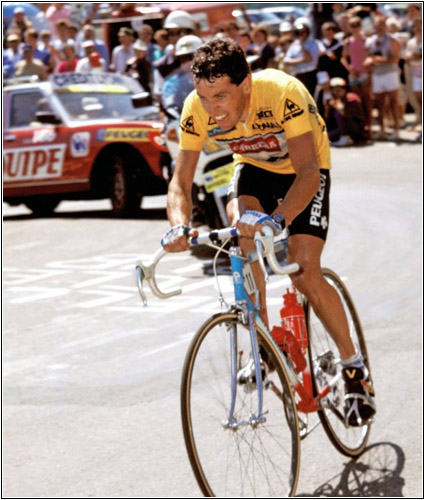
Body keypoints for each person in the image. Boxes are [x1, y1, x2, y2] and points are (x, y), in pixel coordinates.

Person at [161, 37, 376, 427]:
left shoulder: (282, 92)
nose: (212, 109)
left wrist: (277, 221)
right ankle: (263, 343)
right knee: (241, 233)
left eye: (221, 97)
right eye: (204, 98)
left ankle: (353, 367)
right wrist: (179, 225)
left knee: (304, 269)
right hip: (254, 168)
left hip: (304, 170)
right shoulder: (196, 109)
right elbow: (181, 181)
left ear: (246, 84)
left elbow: (309, 174)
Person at [364, 16, 401, 141]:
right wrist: (370, 61)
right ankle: (382, 129)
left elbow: (396, 59)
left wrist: (382, 61)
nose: (379, 27)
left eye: (381, 25)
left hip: (390, 73)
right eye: (377, 25)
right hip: (377, 75)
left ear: (385, 26)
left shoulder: (393, 40)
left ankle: (396, 129)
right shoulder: (370, 41)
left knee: (393, 102)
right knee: (379, 103)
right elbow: (368, 57)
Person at [341, 16, 373, 139]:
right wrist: (350, 69)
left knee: (367, 102)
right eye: (352, 26)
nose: (355, 28)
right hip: (353, 74)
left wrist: (369, 73)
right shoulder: (348, 41)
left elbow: (369, 57)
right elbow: (343, 58)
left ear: (360, 26)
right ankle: (361, 128)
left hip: (365, 73)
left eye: (357, 25)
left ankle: (369, 128)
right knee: (357, 103)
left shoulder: (366, 40)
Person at [324, 77, 367, 146]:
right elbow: (327, 117)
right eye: (334, 90)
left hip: (355, 127)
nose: (336, 93)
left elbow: (347, 116)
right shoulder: (333, 99)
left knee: (337, 114)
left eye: (338, 90)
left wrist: (337, 107)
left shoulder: (352, 99)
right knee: (325, 136)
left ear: (344, 90)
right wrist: (328, 108)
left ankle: (345, 137)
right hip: (341, 128)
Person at [283, 22, 320, 97]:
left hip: (311, 74)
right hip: (299, 74)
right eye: (299, 32)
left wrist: (302, 44)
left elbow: (310, 59)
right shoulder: (294, 45)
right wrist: (302, 60)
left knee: (311, 97)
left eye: (303, 32)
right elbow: (286, 60)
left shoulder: (313, 43)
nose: (301, 34)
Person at [405, 18, 422, 141]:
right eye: (415, 26)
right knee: (419, 102)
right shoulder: (411, 42)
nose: (417, 28)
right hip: (417, 74)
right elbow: (408, 57)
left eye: (419, 25)